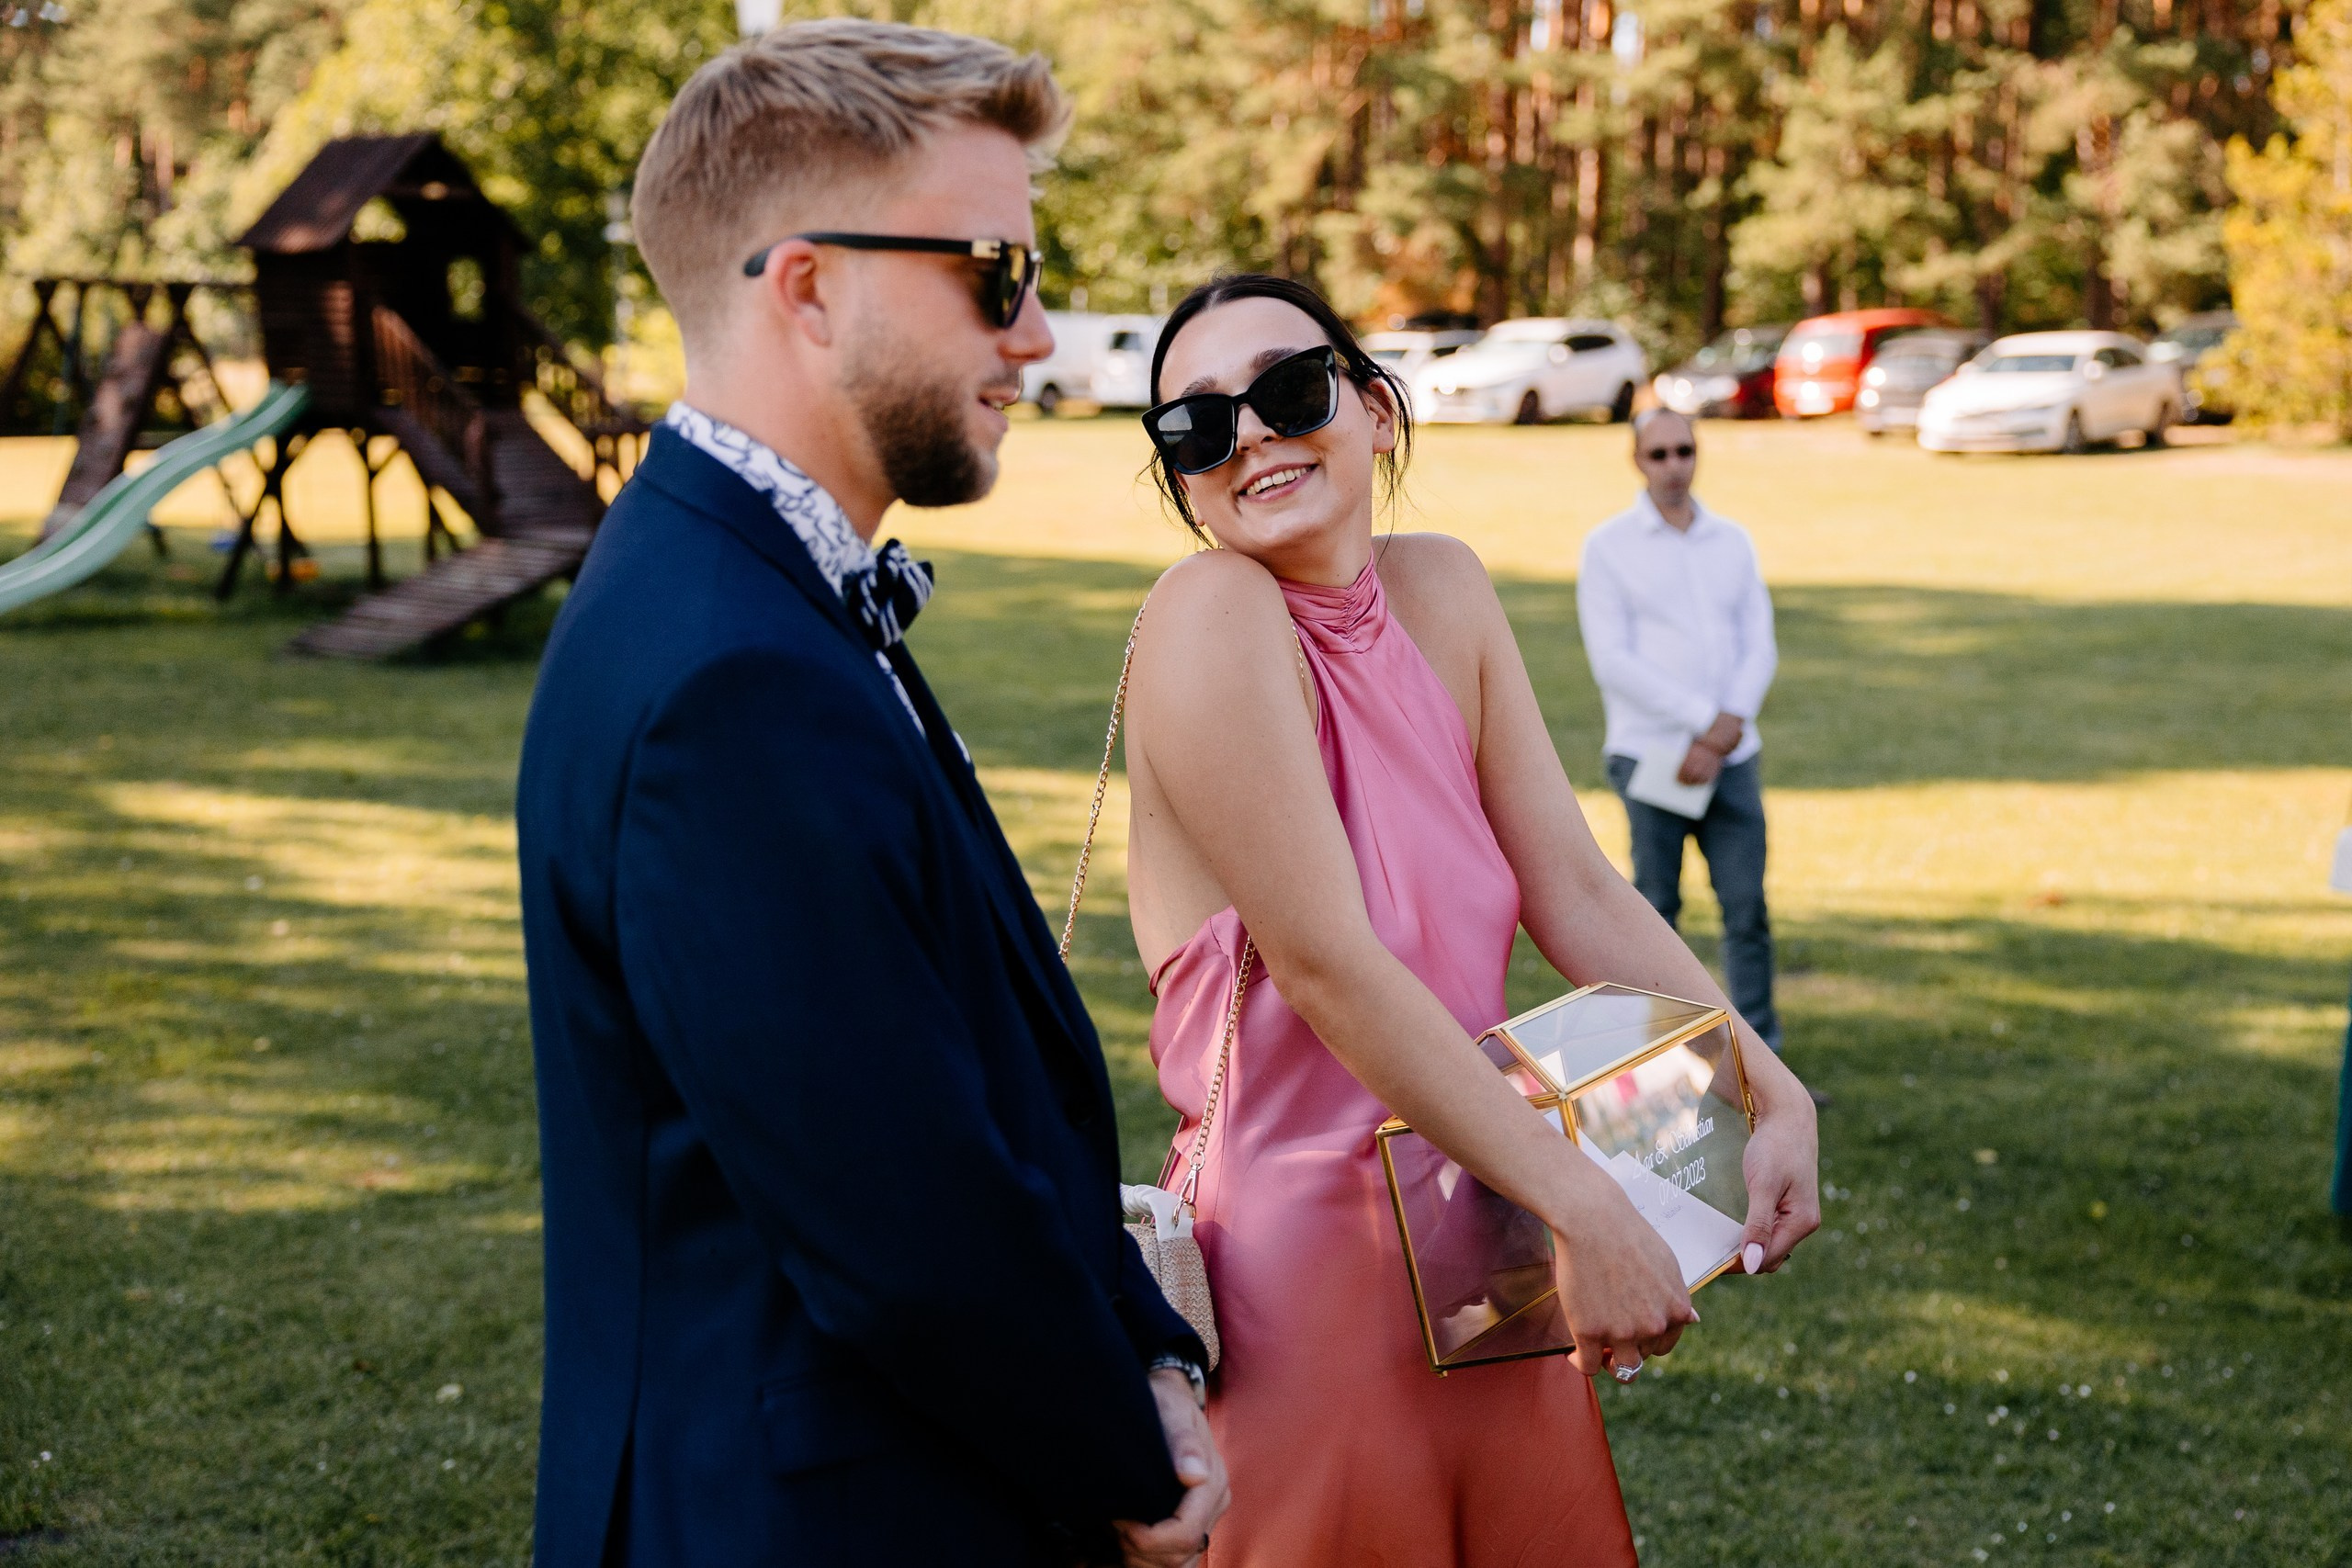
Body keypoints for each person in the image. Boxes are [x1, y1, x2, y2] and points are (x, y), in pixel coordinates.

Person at [514, 21, 1226, 1568]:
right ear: (810, 288)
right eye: (994, 272)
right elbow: (899, 1211)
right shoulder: (726, 669)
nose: (1037, 333)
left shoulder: (753, 585)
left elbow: (957, 1083)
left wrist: (1149, 1345)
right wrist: (1126, 1447)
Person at [1118, 274, 1821, 1567]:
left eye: (1289, 390)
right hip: (1306, 1291)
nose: (1252, 435)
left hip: (1491, 1242)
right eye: (1197, 425)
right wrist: (1585, 1208)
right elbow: (1329, 965)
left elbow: (1579, 890)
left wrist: (1769, 1086)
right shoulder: (1208, 611)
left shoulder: (1443, 588)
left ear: (1377, 409)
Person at [1578, 409, 1787, 1060]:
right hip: (1652, 755)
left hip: (1733, 757)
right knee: (1656, 913)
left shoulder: (1731, 540)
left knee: (1746, 908)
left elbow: (1759, 643)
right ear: (1637, 461)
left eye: (1684, 451)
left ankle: (1760, 1063)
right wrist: (1704, 722)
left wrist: (1725, 731)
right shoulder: (1609, 546)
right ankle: (1666, 1062)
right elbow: (1613, 660)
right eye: (1659, 454)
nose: (1674, 465)